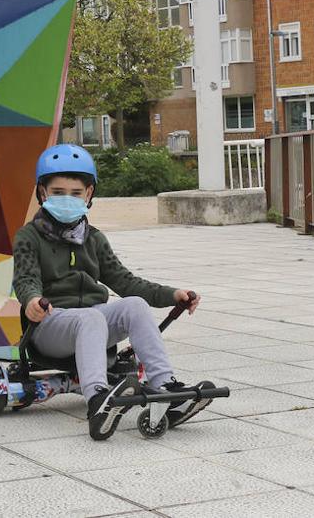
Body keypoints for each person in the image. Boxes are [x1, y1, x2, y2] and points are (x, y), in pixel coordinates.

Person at [12, 144, 215, 440]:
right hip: (49, 325)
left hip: (90, 323)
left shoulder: (94, 239)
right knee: (91, 318)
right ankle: (97, 399)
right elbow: (26, 277)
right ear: (42, 193)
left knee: (133, 305)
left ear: (89, 194)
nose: (66, 199)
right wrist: (31, 300)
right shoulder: (28, 237)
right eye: (57, 192)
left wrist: (172, 294)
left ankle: (167, 388)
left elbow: (126, 281)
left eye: (75, 193)